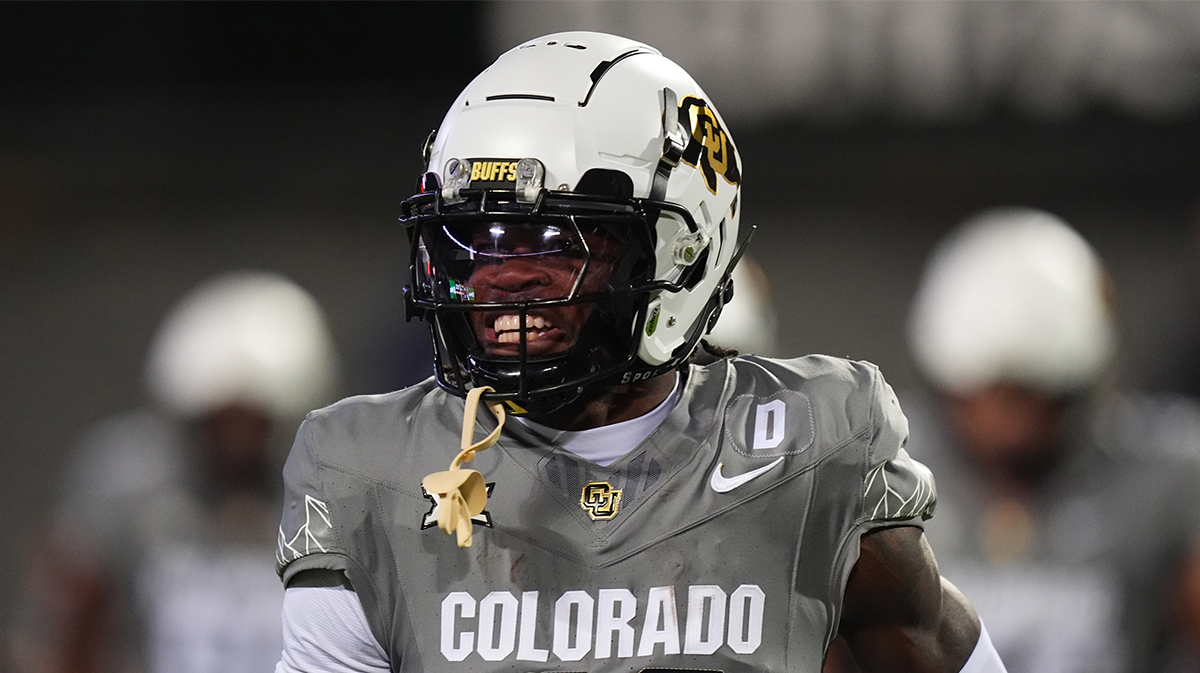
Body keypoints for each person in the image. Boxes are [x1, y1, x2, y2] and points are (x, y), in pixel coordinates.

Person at [275, 31, 1005, 673]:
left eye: (552, 241)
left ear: (680, 252)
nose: (499, 279)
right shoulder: (368, 470)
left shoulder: (812, 446)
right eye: (474, 239)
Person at [904, 208, 1200, 673]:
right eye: (993, 396)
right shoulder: (885, 472)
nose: (1011, 427)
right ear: (951, 386)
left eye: (1035, 397)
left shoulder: (1163, 478)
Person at [11, 271, 338, 673]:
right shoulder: (128, 488)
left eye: (253, 423)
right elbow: (64, 630)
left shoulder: (337, 492)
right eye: (217, 422)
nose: (235, 443)